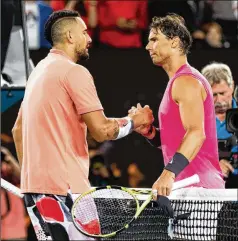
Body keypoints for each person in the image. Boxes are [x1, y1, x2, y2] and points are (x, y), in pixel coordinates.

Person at [12, 10, 153, 240]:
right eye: (84, 32)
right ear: (69, 36)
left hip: (36, 192)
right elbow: (102, 130)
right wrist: (134, 121)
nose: (89, 39)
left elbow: (18, 132)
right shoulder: (74, 72)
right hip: (67, 189)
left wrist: (30, 180)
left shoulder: (38, 72)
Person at [129, 14, 225, 198]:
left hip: (197, 187)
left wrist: (168, 173)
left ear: (174, 42)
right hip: (188, 186)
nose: (148, 46)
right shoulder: (178, 81)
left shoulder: (186, 81)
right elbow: (174, 140)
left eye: (155, 39)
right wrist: (150, 132)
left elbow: (196, 134)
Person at [201, 62, 238, 188]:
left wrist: (230, 165)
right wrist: (214, 166)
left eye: (223, 93)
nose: (219, 100)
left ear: (232, 86)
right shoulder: (194, 119)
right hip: (205, 190)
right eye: (214, 95)